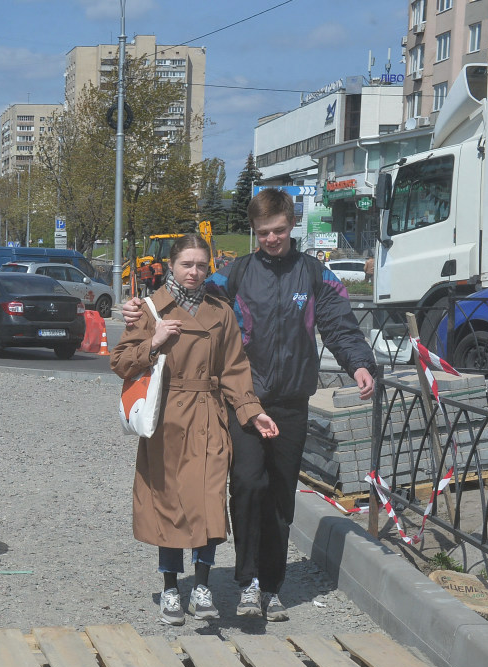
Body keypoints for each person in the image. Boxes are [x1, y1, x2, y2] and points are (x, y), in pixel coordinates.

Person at [122, 190, 376, 621]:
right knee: (246, 484)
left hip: (292, 401)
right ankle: (247, 580)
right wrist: (138, 309)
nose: (272, 239)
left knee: (280, 495)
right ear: (254, 232)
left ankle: (271, 585)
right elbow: (190, 292)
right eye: (263, 233)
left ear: (291, 225)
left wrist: (360, 364)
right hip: (242, 399)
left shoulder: (316, 275)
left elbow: (339, 325)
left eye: (278, 231)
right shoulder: (235, 275)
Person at [110, 235, 279, 626]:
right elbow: (120, 362)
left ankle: (201, 587)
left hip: (209, 417)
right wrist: (153, 341)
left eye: (202, 265)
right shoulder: (150, 309)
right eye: (187, 264)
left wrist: (253, 413)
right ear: (171, 264)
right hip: (167, 419)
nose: (194, 272)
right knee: (168, 503)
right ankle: (171, 588)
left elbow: (236, 371)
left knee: (208, 502)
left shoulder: (220, 313)